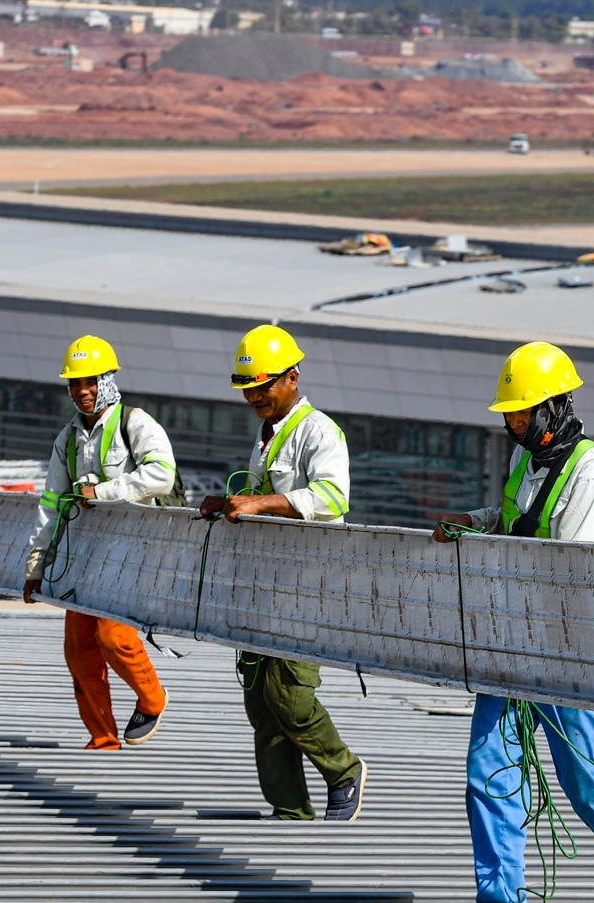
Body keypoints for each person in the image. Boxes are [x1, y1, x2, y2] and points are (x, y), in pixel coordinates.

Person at [433, 341, 594, 903]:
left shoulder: (591, 471)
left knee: (588, 784)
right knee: (488, 773)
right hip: (512, 640)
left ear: (555, 407)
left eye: (523, 414)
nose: (514, 425)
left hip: (573, 652)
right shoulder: (527, 458)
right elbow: (516, 521)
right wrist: (474, 521)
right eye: (509, 416)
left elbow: (573, 570)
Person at [198, 324, 367, 822]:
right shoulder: (267, 435)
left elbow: (334, 498)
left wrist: (262, 502)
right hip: (263, 583)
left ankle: (344, 771)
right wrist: (232, 504)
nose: (254, 396)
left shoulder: (318, 431)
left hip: (306, 584)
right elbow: (258, 499)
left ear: (292, 378)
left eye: (264, 385)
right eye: (248, 388)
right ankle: (289, 809)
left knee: (288, 694)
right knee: (259, 702)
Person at [21, 335, 178, 751]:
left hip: (131, 554)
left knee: (114, 638)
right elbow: (51, 504)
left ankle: (152, 699)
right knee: (79, 650)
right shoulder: (68, 438)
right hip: (84, 557)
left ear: (107, 379)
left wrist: (104, 492)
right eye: (75, 384)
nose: (83, 391)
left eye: (90, 382)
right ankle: (103, 738)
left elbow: (162, 475)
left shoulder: (136, 423)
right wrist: (37, 566)